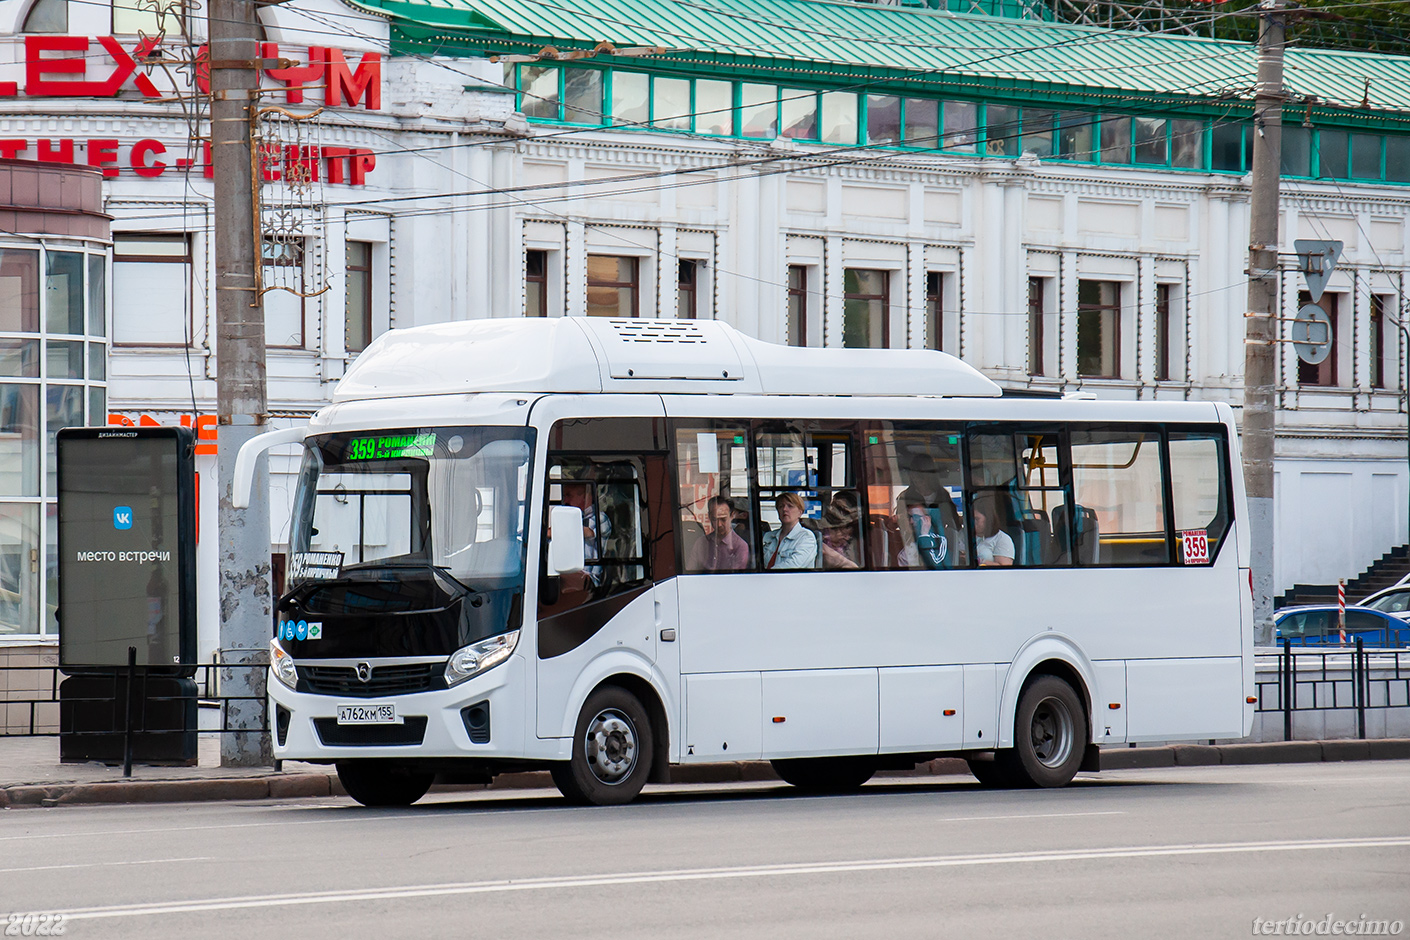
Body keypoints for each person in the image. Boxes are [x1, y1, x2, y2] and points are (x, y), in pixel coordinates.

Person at [688, 495, 750, 571]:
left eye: (723, 519)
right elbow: (690, 571)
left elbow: (735, 578)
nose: (719, 524)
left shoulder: (740, 546)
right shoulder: (701, 543)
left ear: (732, 516)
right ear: (709, 516)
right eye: (714, 519)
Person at [761, 492, 817, 570]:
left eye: (790, 506)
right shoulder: (768, 536)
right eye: (781, 506)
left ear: (800, 512)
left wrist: (766, 576)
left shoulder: (806, 537)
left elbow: (794, 565)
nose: (784, 509)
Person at [819, 490, 861, 570]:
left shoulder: (857, 541)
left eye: (842, 511)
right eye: (834, 507)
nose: (834, 512)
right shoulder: (816, 533)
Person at [972, 494, 1014, 567]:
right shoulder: (963, 534)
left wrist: (979, 561)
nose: (973, 523)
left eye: (977, 519)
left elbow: (1004, 568)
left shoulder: (1002, 539)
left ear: (988, 519)